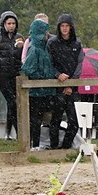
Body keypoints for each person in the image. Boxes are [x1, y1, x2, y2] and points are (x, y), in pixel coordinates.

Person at [20, 18, 59, 151]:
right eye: (44, 31)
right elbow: (27, 68)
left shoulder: (44, 47)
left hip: (45, 90)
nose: (47, 34)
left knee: (44, 118)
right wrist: (43, 76)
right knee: (35, 120)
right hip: (36, 91)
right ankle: (34, 144)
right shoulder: (34, 48)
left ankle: (39, 144)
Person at [47, 13, 85, 149]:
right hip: (57, 86)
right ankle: (53, 147)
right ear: (59, 27)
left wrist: (71, 83)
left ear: (71, 27)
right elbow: (49, 63)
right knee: (55, 119)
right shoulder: (52, 43)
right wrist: (58, 75)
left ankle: (66, 147)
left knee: (74, 121)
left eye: (67, 26)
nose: (64, 28)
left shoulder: (77, 43)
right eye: (62, 26)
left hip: (73, 87)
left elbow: (80, 64)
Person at [0, 11, 24, 139]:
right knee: (12, 101)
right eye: (9, 23)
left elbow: (22, 57)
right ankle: (17, 132)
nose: (11, 26)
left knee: (13, 103)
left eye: (13, 23)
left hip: (15, 75)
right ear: (3, 24)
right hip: (2, 76)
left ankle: (8, 132)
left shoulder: (19, 37)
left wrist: (22, 48)